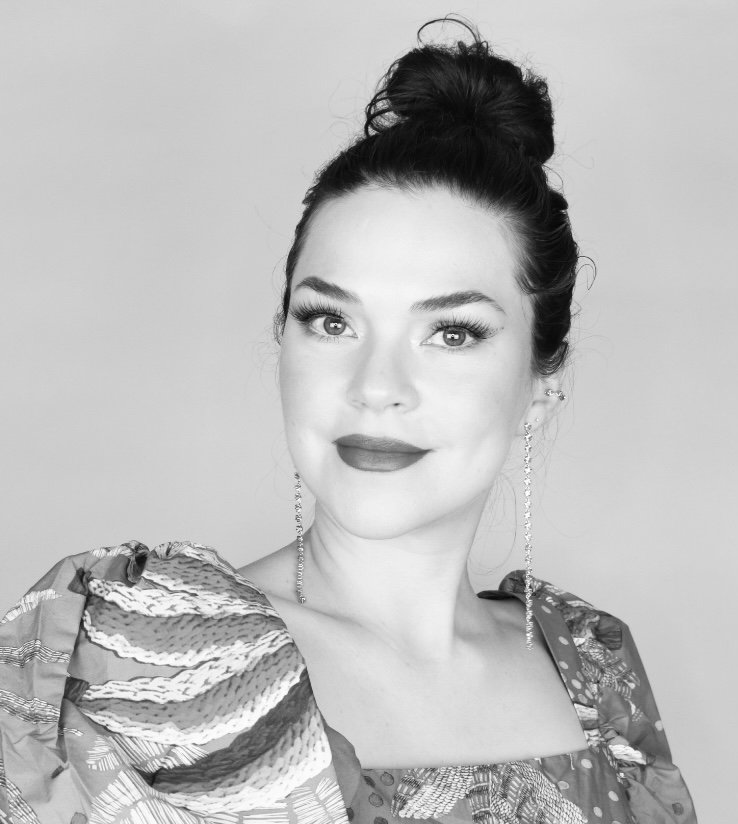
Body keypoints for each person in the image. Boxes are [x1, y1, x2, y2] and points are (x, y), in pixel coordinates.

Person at [0, 17, 696, 824]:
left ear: (540, 385)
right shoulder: (129, 653)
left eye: (452, 332)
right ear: (282, 340)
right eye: (331, 322)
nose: (377, 386)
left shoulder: (596, 672)